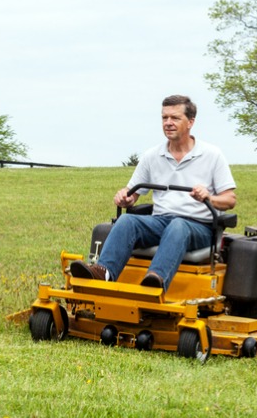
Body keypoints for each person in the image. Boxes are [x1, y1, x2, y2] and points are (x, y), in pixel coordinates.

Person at [70, 95, 237, 291]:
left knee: (178, 225)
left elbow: (230, 199)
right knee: (127, 221)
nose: (168, 123)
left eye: (174, 118)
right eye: (164, 118)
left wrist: (209, 197)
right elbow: (132, 194)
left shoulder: (212, 155)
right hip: (161, 222)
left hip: (198, 226)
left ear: (191, 122)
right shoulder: (152, 156)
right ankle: (103, 273)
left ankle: (155, 280)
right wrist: (125, 197)